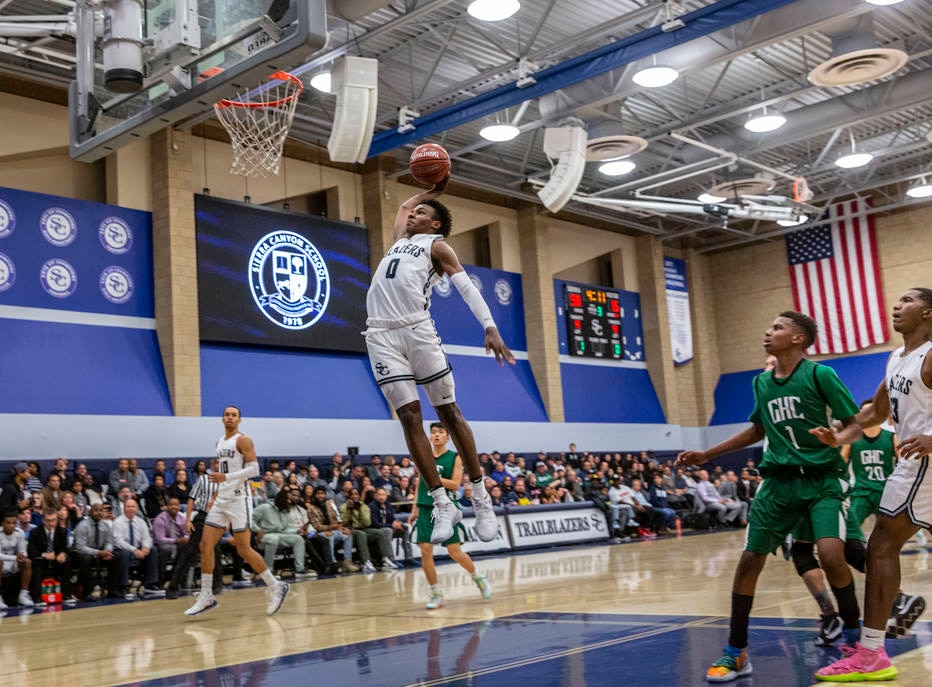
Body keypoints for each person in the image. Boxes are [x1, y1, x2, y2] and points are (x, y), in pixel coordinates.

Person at [677, 311, 863, 683]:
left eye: (777, 327)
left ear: (798, 339)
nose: (768, 331)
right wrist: (707, 454)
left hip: (822, 479)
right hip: (777, 484)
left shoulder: (820, 374)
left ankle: (856, 640)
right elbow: (757, 430)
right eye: (769, 326)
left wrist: (837, 439)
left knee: (830, 554)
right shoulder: (762, 382)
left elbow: (855, 423)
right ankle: (736, 651)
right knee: (749, 561)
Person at [364, 177, 513, 545]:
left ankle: (479, 497)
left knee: (448, 412)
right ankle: (442, 501)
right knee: (409, 417)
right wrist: (431, 192)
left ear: (435, 225)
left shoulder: (438, 246)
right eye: (413, 211)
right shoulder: (400, 239)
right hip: (380, 335)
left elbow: (467, 289)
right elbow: (401, 208)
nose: (412, 213)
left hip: (417, 331)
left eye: (422, 212)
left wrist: (490, 327)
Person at [816, 288, 932, 682]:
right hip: (914, 465)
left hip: (926, 462)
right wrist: (841, 435)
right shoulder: (898, 358)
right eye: (897, 300)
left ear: (928, 312)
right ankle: (871, 652)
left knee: (882, 544)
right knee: (882, 545)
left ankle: (871, 652)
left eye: (908, 300)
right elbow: (876, 412)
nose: (897, 306)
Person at [184, 406, 290, 616]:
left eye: (234, 415)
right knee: (205, 545)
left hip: (239, 500)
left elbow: (254, 470)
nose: (230, 417)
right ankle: (206, 594)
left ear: (239, 419)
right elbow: (224, 472)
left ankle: (276, 585)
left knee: (243, 549)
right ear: (222, 418)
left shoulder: (243, 440)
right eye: (227, 414)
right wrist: (216, 493)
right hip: (222, 499)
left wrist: (226, 479)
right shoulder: (220, 442)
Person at [409, 423, 492, 609]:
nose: (436, 435)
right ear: (429, 437)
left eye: (440, 432)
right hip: (424, 507)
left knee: (454, 552)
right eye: (433, 432)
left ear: (447, 437)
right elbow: (420, 483)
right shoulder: (424, 455)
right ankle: (436, 592)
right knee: (425, 551)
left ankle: (477, 576)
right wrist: (414, 508)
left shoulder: (454, 457)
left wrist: (432, 476)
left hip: (447, 508)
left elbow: (455, 484)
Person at [166, 466, 220, 599]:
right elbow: (191, 498)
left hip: (218, 517)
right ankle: (174, 586)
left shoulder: (228, 481)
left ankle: (217, 583)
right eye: (218, 462)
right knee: (189, 551)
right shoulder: (203, 479)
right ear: (213, 465)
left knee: (216, 551)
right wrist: (188, 520)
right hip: (203, 516)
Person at [251, 488, 314, 581]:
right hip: (264, 536)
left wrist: (298, 530)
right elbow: (249, 519)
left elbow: (285, 530)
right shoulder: (265, 507)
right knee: (273, 539)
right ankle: (268, 571)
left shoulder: (285, 512)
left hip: (279, 535)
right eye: (288, 499)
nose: (290, 501)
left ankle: (299, 569)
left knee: (298, 539)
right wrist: (258, 530)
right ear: (281, 499)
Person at [111, 498, 163, 598]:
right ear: (124, 508)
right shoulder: (117, 522)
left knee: (153, 550)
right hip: (123, 550)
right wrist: (134, 550)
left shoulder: (141, 522)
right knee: (124, 553)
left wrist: (145, 547)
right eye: (128, 506)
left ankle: (151, 584)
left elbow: (146, 537)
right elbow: (118, 541)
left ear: (137, 508)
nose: (131, 509)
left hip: (138, 549)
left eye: (133, 507)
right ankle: (124, 586)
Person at [71, 502, 120, 600]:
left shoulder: (105, 525)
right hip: (79, 554)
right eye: (96, 510)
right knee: (86, 559)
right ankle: (87, 592)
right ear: (90, 512)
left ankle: (113, 590)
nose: (99, 513)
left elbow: (109, 542)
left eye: (101, 510)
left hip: (99, 553)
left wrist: (107, 552)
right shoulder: (82, 526)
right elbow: (81, 547)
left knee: (116, 557)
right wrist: (98, 553)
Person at [27, 509, 75, 605]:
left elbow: (64, 548)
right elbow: (31, 551)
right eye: (48, 520)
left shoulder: (62, 531)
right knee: (36, 563)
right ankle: (37, 597)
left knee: (67, 560)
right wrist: (44, 555)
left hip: (56, 560)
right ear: (43, 521)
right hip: (42, 561)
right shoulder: (35, 532)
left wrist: (62, 554)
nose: (51, 523)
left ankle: (66, 595)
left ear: (57, 520)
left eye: (53, 520)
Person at [0, 510, 35, 609]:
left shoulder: (20, 533)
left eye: (14, 523)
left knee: (27, 562)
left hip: (13, 564)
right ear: (2, 523)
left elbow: (23, 551)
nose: (11, 525)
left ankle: (23, 595)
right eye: (8, 523)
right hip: (3, 562)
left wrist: (22, 556)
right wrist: (16, 557)